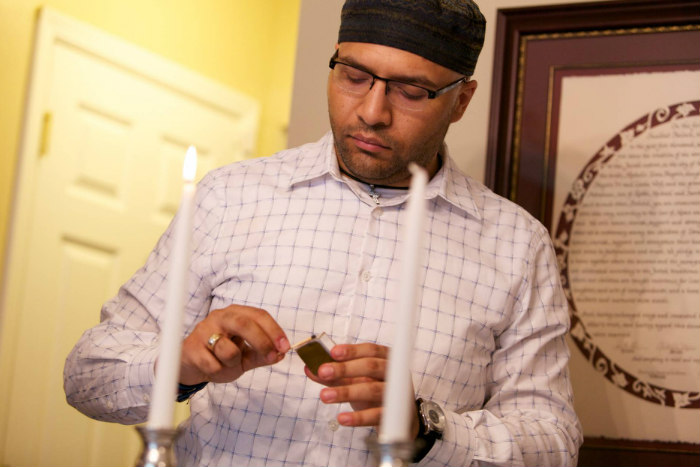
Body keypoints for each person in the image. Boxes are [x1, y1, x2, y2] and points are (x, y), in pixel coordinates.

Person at [64, 1, 582, 465]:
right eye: (354, 76)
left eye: (411, 91)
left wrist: (425, 428)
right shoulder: (228, 198)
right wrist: (180, 365)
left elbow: (553, 441)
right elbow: (88, 375)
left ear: (461, 101)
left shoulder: (517, 246)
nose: (372, 112)